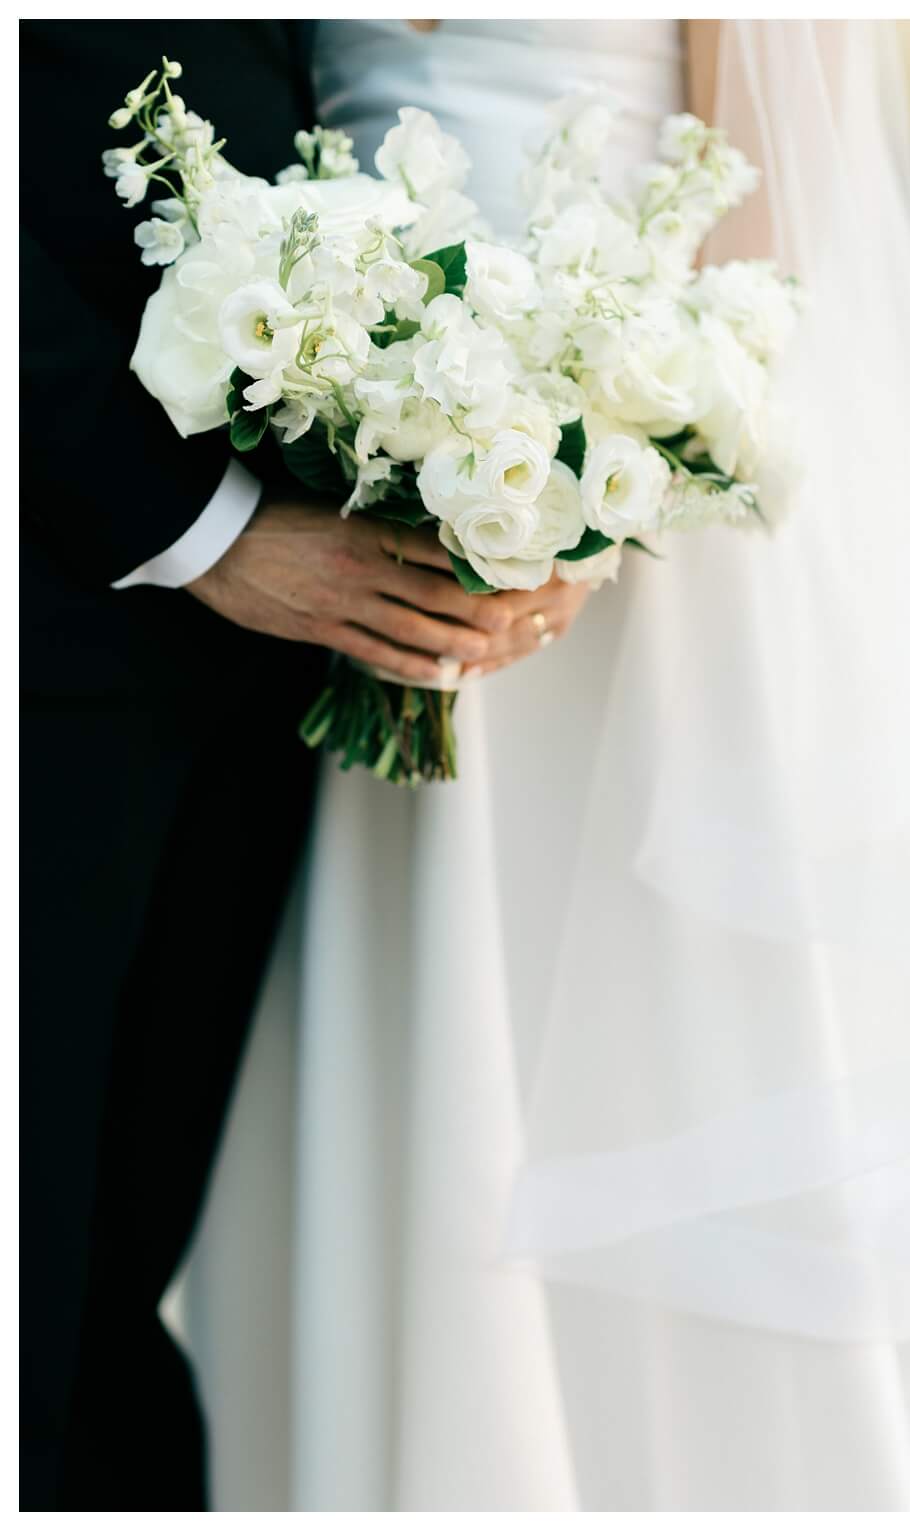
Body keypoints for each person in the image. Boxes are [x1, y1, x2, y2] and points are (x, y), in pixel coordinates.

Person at [163, 19, 910, 1511]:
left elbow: (776, 223)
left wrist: (605, 487)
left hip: (626, 497)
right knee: (396, 1003)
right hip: (345, 493)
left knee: (645, 1032)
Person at [18, 21, 565, 1509]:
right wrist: (201, 527)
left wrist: (554, 498)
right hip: (55, 612)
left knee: (112, 1283)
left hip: (283, 652)